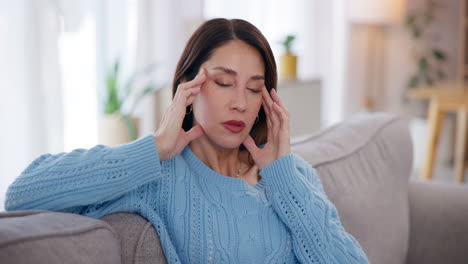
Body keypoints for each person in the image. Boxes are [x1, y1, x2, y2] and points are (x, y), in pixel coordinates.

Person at [5, 18, 369, 263]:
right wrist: (156, 147)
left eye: (254, 89)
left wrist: (283, 178)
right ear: (189, 87)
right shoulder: (159, 177)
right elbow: (24, 192)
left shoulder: (293, 176)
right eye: (224, 83)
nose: (240, 102)